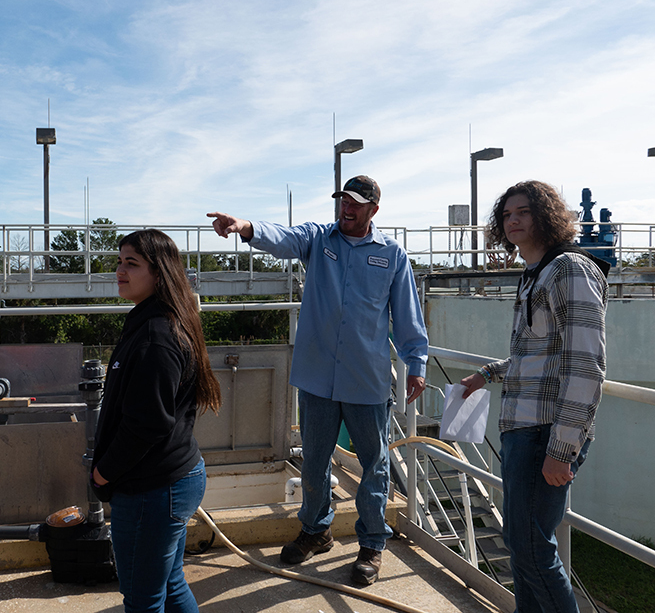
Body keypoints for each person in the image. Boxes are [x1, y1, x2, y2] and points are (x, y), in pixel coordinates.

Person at [207, 175, 428, 585]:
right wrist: (245, 227)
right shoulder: (317, 240)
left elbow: (407, 315)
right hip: (317, 377)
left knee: (374, 466)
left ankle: (372, 543)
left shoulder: (392, 256)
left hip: (366, 380)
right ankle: (316, 530)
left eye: (356, 203)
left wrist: (416, 363)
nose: (346, 208)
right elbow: (283, 237)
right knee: (313, 461)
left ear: (373, 211)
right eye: (343, 200)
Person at [461, 181, 609, 613]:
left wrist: (562, 449)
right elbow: (536, 352)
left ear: (545, 216)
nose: (512, 221)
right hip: (523, 427)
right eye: (507, 215)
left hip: (546, 432)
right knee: (522, 546)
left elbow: (585, 364)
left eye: (523, 212)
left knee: (530, 548)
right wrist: (487, 374)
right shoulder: (536, 274)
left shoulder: (569, 270)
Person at [91, 229, 221, 613]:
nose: (120, 270)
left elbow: (147, 424)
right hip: (172, 479)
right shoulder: (159, 321)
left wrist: (103, 473)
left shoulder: (156, 337)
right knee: (170, 582)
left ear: (159, 273)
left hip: (152, 490)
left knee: (143, 599)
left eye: (132, 263)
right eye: (119, 261)